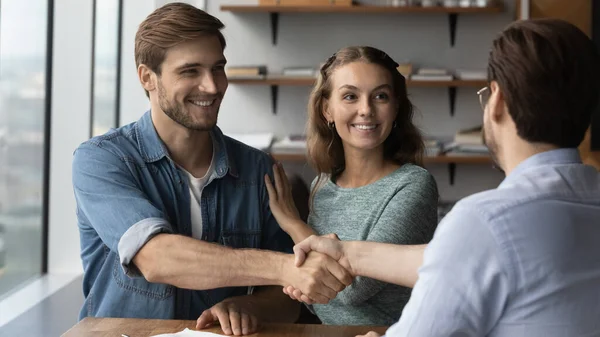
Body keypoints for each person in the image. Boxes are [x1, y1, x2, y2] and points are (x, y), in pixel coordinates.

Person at [283, 18, 600, 337]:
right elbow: (449, 259)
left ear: (497, 101)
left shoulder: (484, 222)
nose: (366, 110)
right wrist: (345, 255)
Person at [71, 3, 352, 336]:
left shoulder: (258, 169)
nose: (213, 86)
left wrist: (251, 305)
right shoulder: (101, 160)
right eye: (190, 71)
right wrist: (283, 268)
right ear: (148, 77)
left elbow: (288, 298)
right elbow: (157, 258)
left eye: (218, 68)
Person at [264, 46, 439, 326]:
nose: (366, 110)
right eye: (350, 96)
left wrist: (292, 223)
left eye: (380, 96)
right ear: (327, 110)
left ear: (396, 108)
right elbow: (319, 295)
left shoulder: (414, 186)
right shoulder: (322, 186)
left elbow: (352, 289)